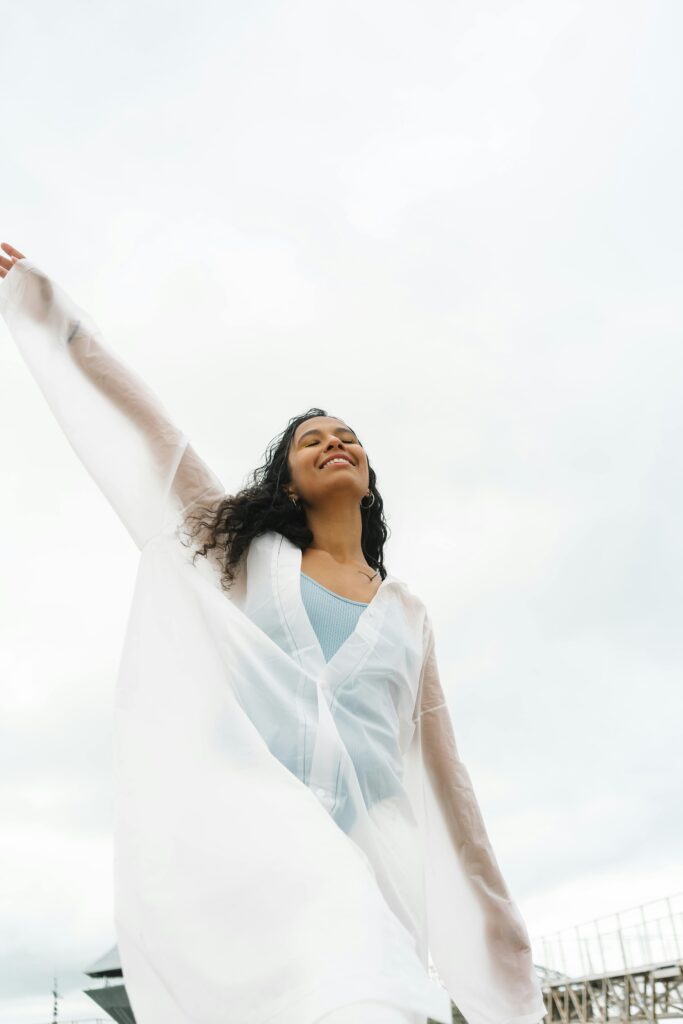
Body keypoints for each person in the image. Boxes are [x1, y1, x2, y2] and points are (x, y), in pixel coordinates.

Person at [0, 241, 546, 1024]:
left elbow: (447, 782)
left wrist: (499, 930)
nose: (334, 442)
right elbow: (159, 437)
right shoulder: (247, 556)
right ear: (286, 480)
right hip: (250, 858)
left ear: (367, 477)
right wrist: (55, 316)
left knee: (367, 998)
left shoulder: (407, 616)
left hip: (365, 872)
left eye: (347, 435)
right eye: (311, 439)